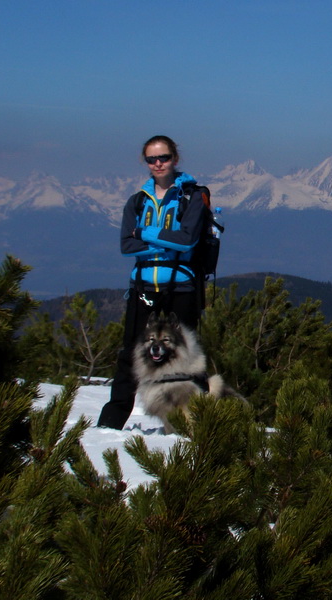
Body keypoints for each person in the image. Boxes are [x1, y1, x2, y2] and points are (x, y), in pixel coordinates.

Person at [97, 135, 209, 429]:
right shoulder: (136, 201)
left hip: (182, 286)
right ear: (145, 162)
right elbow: (125, 246)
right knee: (129, 354)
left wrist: (144, 234)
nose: (158, 164)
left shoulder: (193, 196)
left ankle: (197, 422)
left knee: (188, 354)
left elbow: (187, 241)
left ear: (175, 158)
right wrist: (164, 242)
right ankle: (110, 422)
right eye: (152, 159)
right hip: (143, 287)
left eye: (164, 158)